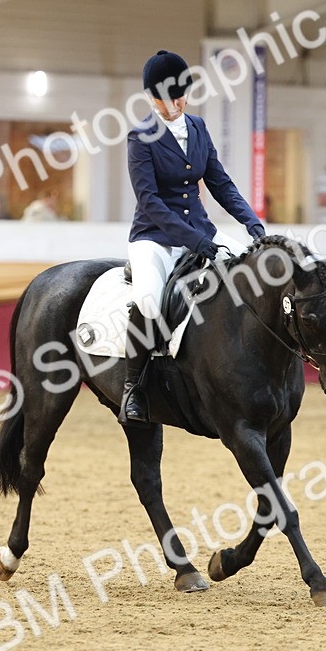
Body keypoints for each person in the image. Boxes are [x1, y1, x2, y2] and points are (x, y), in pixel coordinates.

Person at [121, 49, 266, 425]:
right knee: (150, 300)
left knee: (247, 277)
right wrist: (194, 240)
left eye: (180, 96)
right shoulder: (140, 136)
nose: (175, 104)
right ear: (152, 99)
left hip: (201, 233)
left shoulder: (198, 127)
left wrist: (253, 224)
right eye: (166, 99)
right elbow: (150, 202)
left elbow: (219, 182)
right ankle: (133, 389)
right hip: (154, 237)